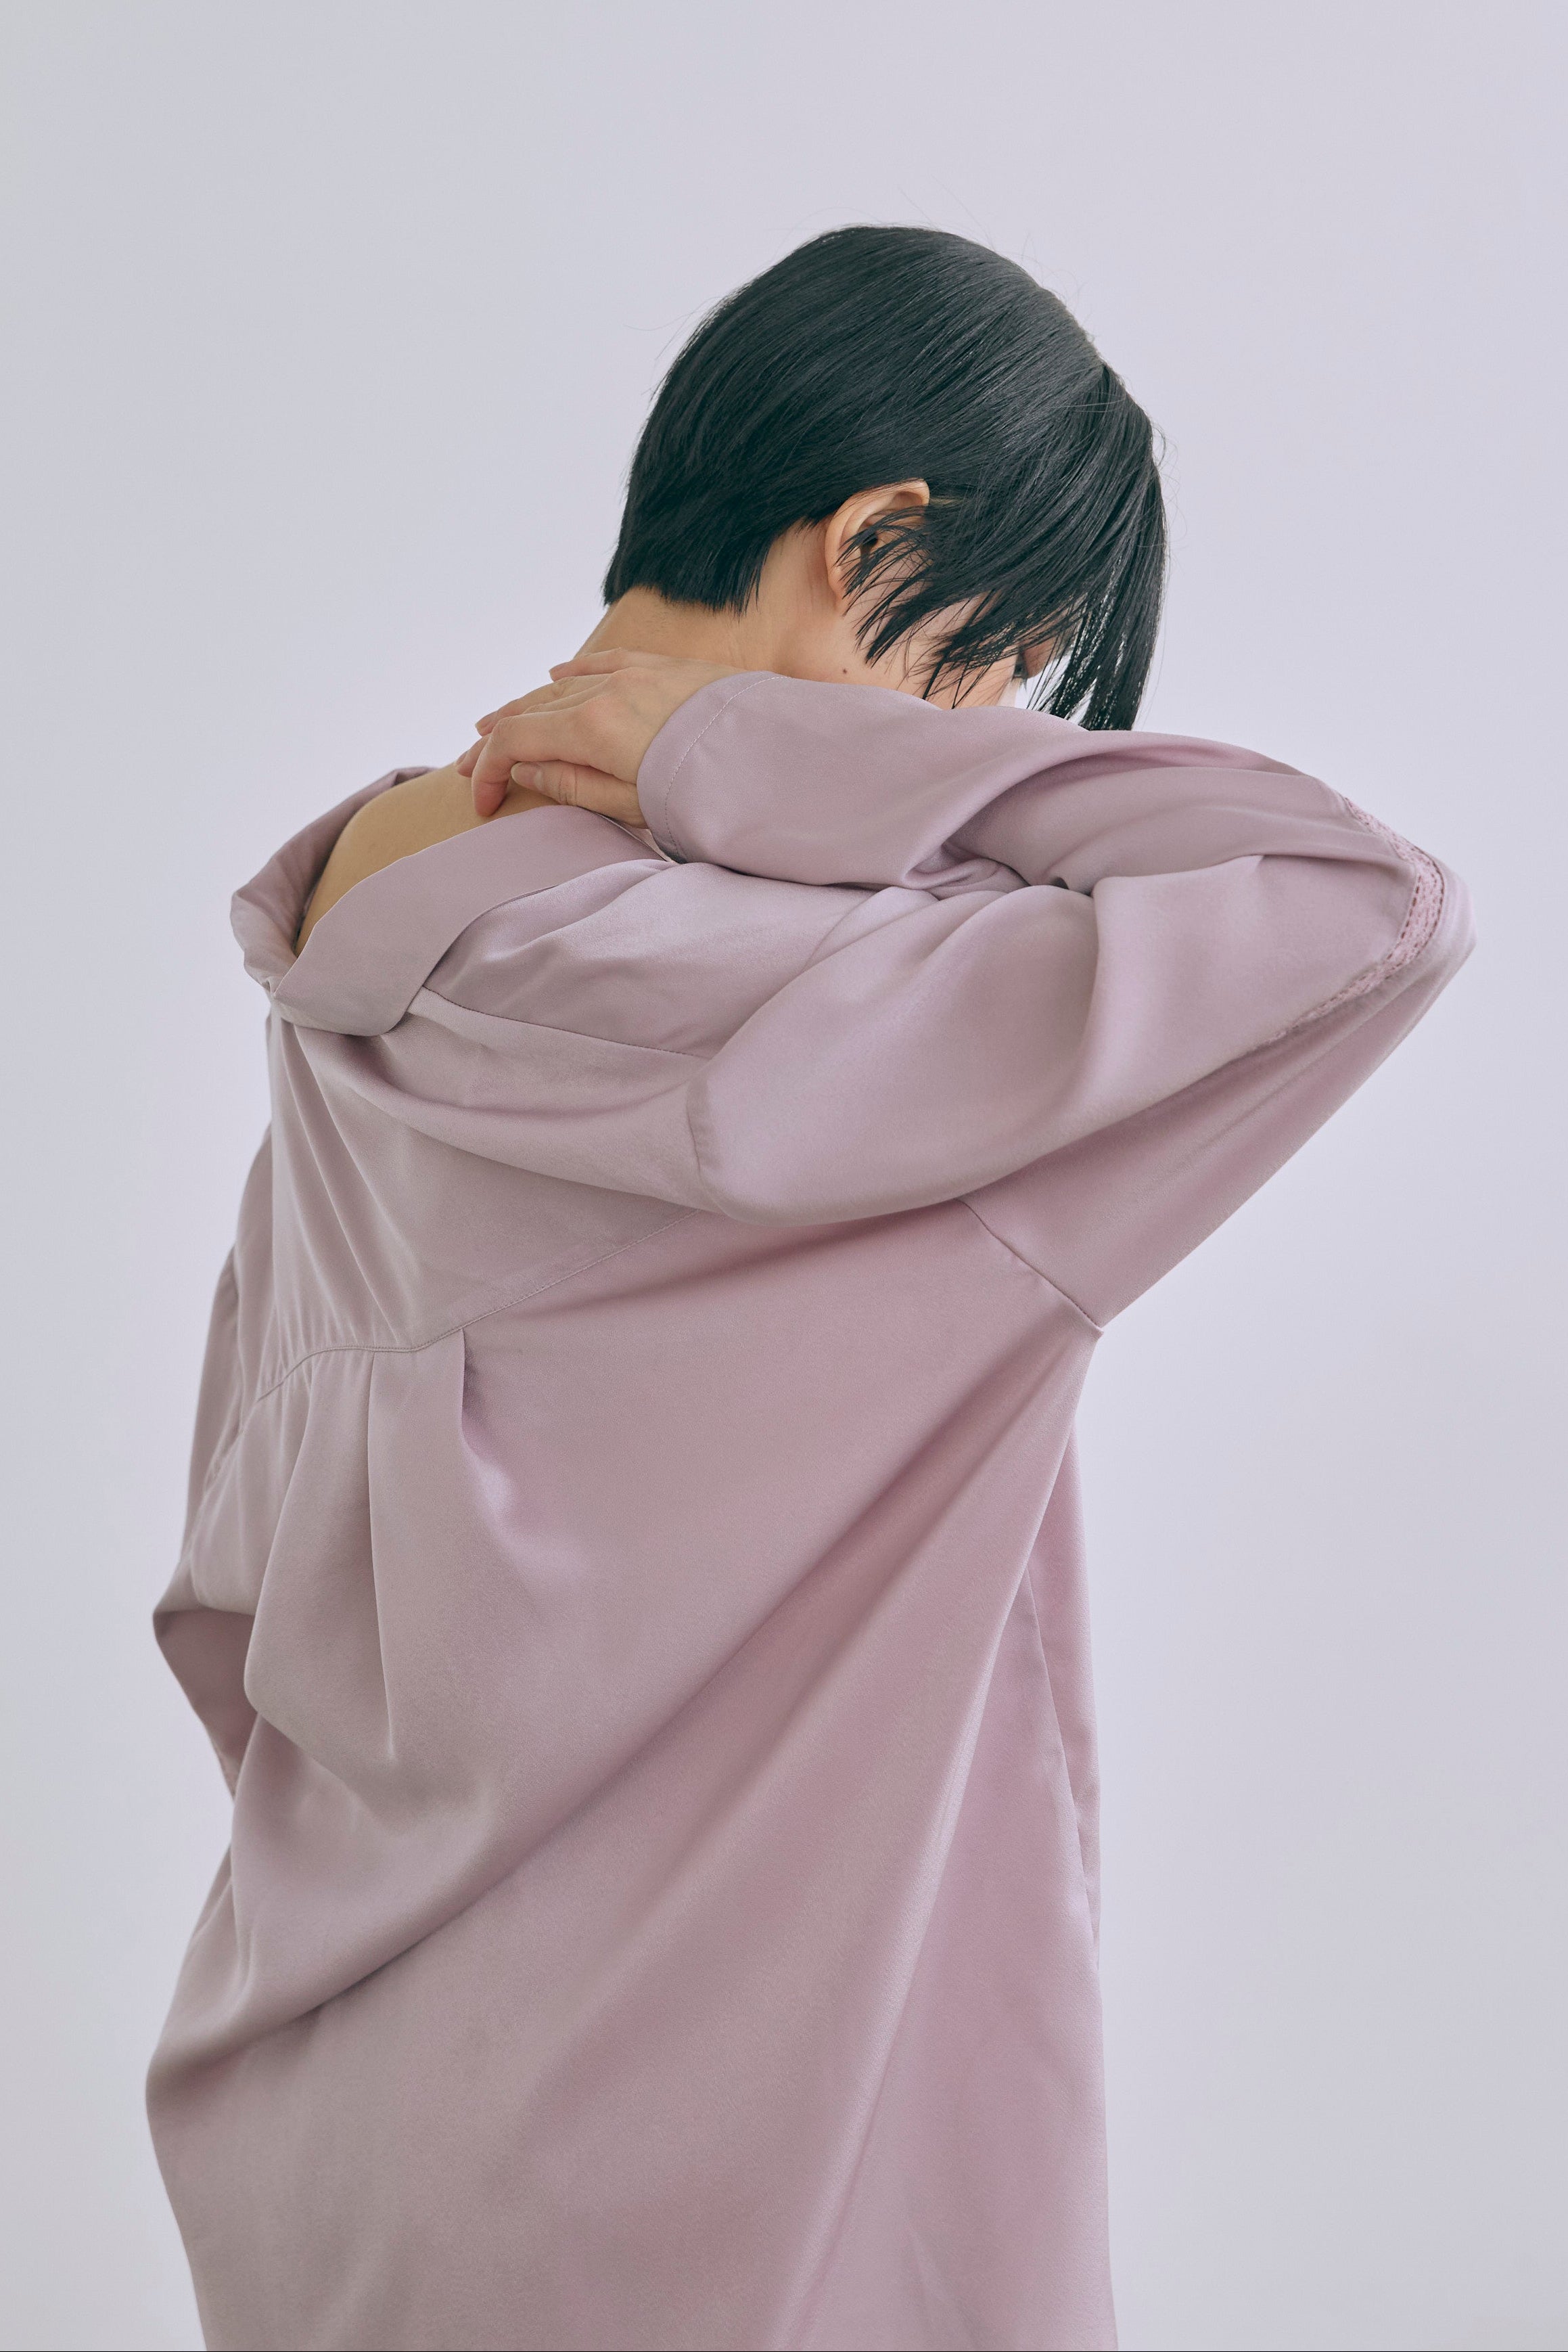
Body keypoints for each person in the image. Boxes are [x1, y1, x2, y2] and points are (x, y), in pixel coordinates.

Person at [149, 227, 1472, 2352]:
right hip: (736, 2205)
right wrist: (734, 760)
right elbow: (1370, 907)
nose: (990, 747)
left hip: (331, 2147)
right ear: (873, 547)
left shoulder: (346, 982)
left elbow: (227, 1618)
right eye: (997, 672)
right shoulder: (818, 1012)